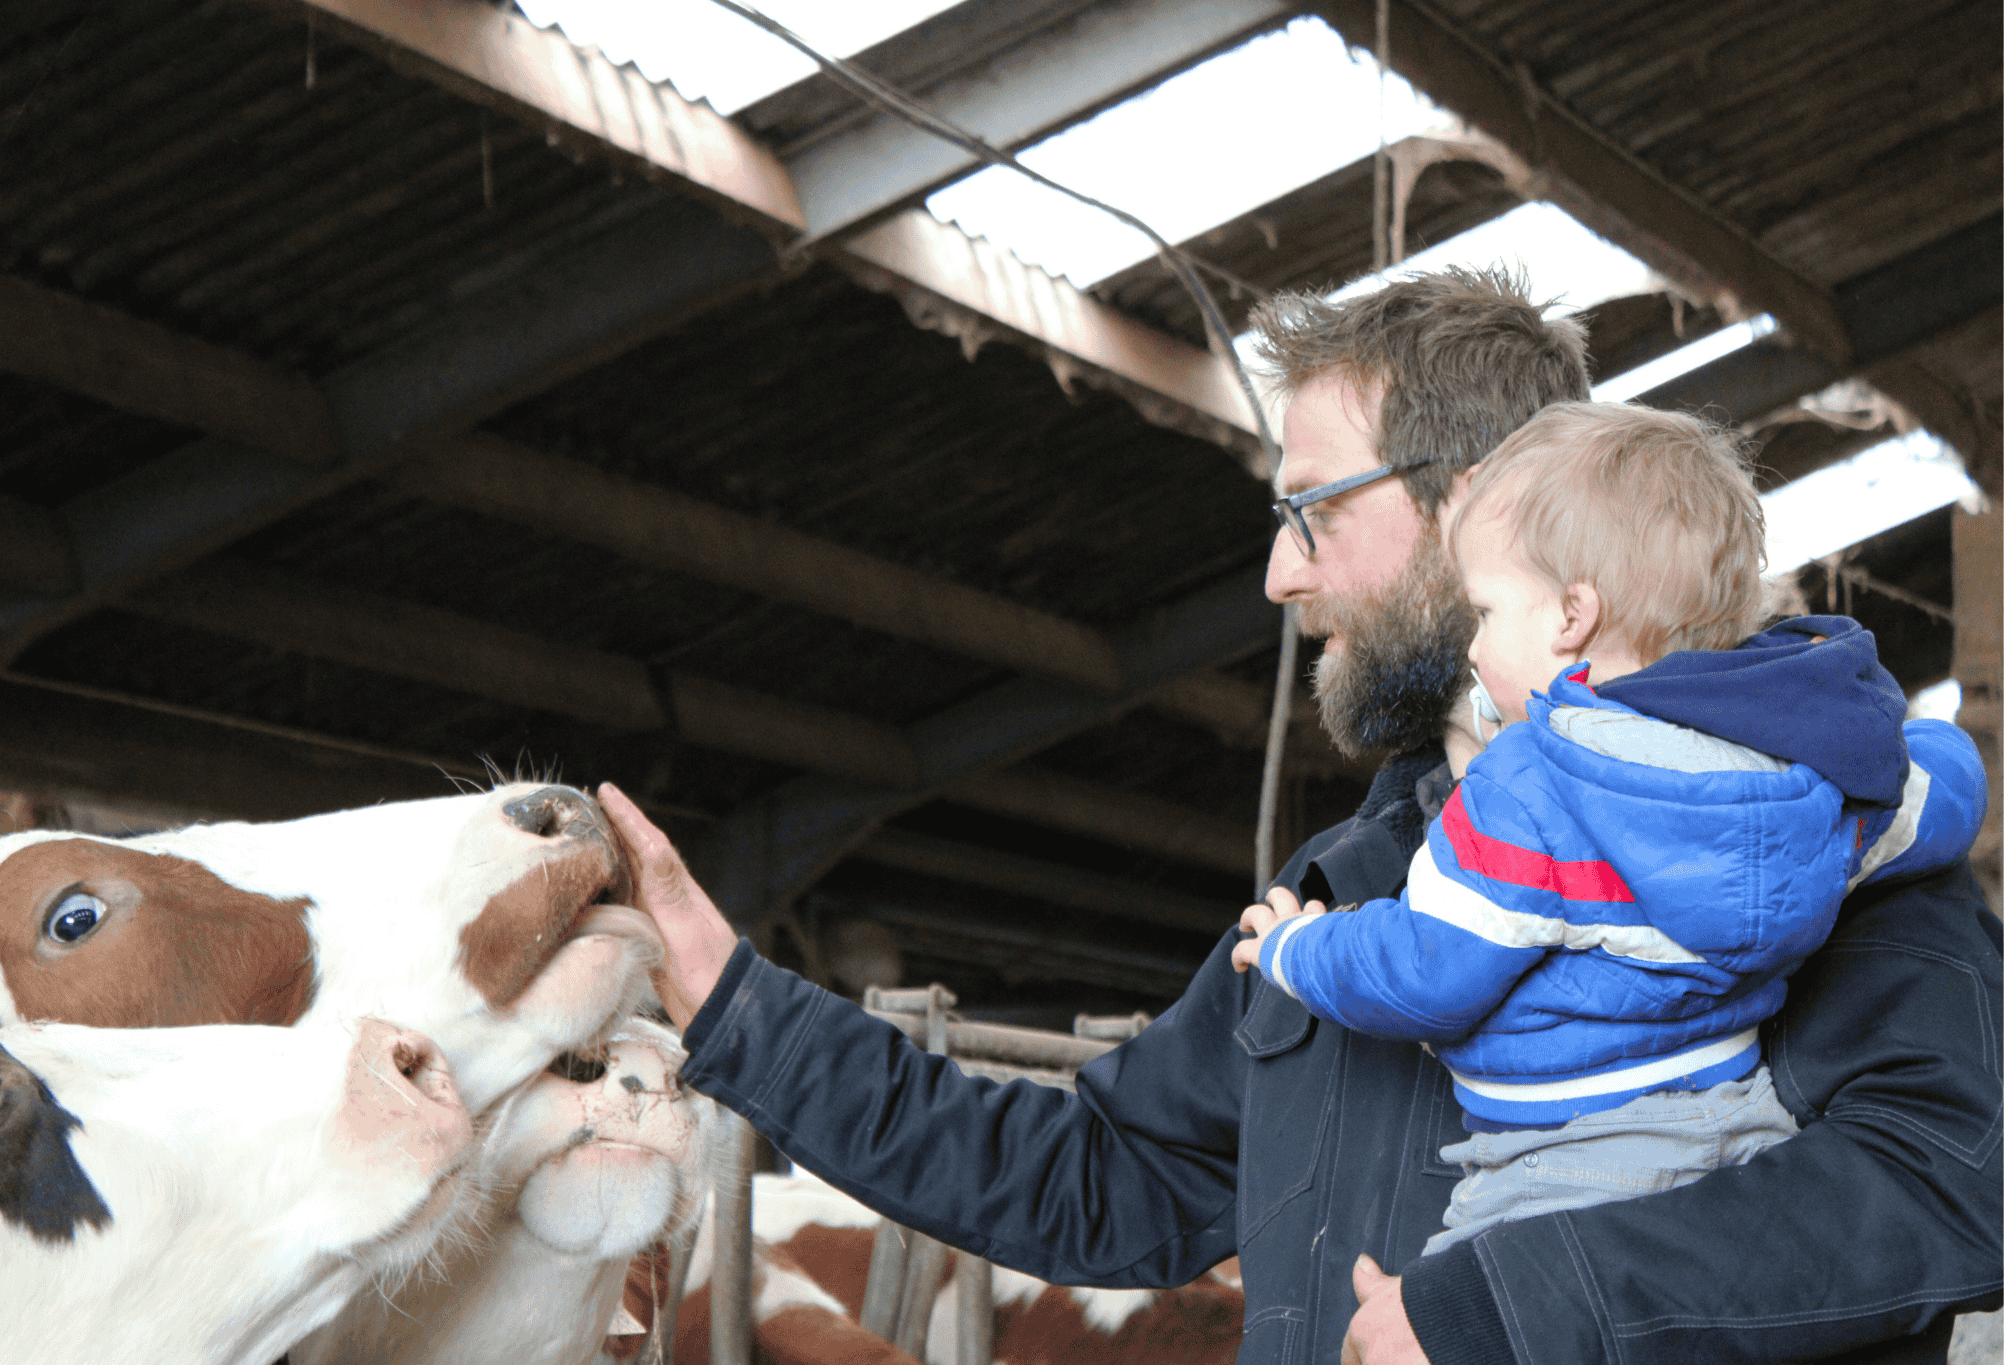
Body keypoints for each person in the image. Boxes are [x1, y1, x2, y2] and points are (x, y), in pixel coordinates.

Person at [604, 268, 2002, 1365]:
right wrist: (738, 1007)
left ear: (1477, 498)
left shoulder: (1799, 815)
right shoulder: (1352, 881)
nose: (1280, 576)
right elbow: (1099, 1177)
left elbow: (1949, 1183)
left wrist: (1502, 1304)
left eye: (1312, 510)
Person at [1231, 401, 1987, 1256]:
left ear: (1571, 615)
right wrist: (1922, 748)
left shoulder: (1525, 790)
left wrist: (1300, 948)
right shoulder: (1796, 774)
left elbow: (1425, 970)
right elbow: (1937, 800)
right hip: (1737, 1133)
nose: (1472, 650)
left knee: (1438, 1310)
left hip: (1550, 1168)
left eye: (1485, 613)